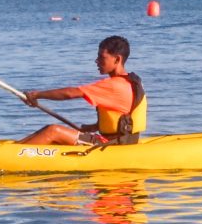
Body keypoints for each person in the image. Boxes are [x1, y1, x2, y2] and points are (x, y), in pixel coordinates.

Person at [18, 36, 147, 146]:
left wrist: (37, 95)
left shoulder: (114, 85)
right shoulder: (131, 81)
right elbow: (122, 115)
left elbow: (71, 93)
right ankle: (16, 147)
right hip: (122, 140)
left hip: (111, 144)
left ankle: (14, 155)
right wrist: (94, 127)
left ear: (117, 59)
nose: (96, 61)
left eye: (101, 57)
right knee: (48, 129)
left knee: (53, 131)